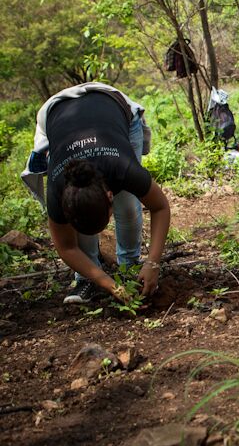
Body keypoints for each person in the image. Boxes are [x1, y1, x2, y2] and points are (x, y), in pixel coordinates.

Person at [20, 83, 171, 304]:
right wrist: (106, 282)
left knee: (128, 206)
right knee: (88, 222)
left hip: (115, 107)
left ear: (110, 196)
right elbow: (66, 246)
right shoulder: (57, 191)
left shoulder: (123, 168)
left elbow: (160, 207)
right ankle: (87, 279)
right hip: (56, 115)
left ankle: (130, 267)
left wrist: (153, 263)